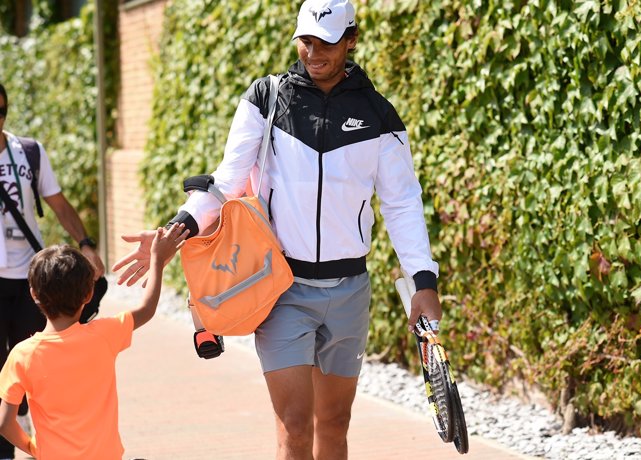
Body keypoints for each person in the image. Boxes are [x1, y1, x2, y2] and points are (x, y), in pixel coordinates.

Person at [112, 0, 442, 458]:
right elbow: (225, 182)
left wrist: (423, 281)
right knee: (294, 427)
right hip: (282, 288)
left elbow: (403, 202)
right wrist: (176, 230)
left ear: (351, 41)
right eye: (305, 41)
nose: (314, 53)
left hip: (351, 291)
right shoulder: (267, 99)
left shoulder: (379, 116)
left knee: (334, 423)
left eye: (326, 43)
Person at [0, 224, 187, 459]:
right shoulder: (105, 334)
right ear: (89, 295)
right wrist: (157, 259)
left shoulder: (22, 355)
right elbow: (147, 309)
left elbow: (5, 423)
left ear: (34, 294)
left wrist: (34, 449)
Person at [0, 82, 108, 459]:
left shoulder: (27, 153)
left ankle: (48, 444)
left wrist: (86, 243)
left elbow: (59, 205)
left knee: (40, 369)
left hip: (29, 280)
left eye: (0, 111)